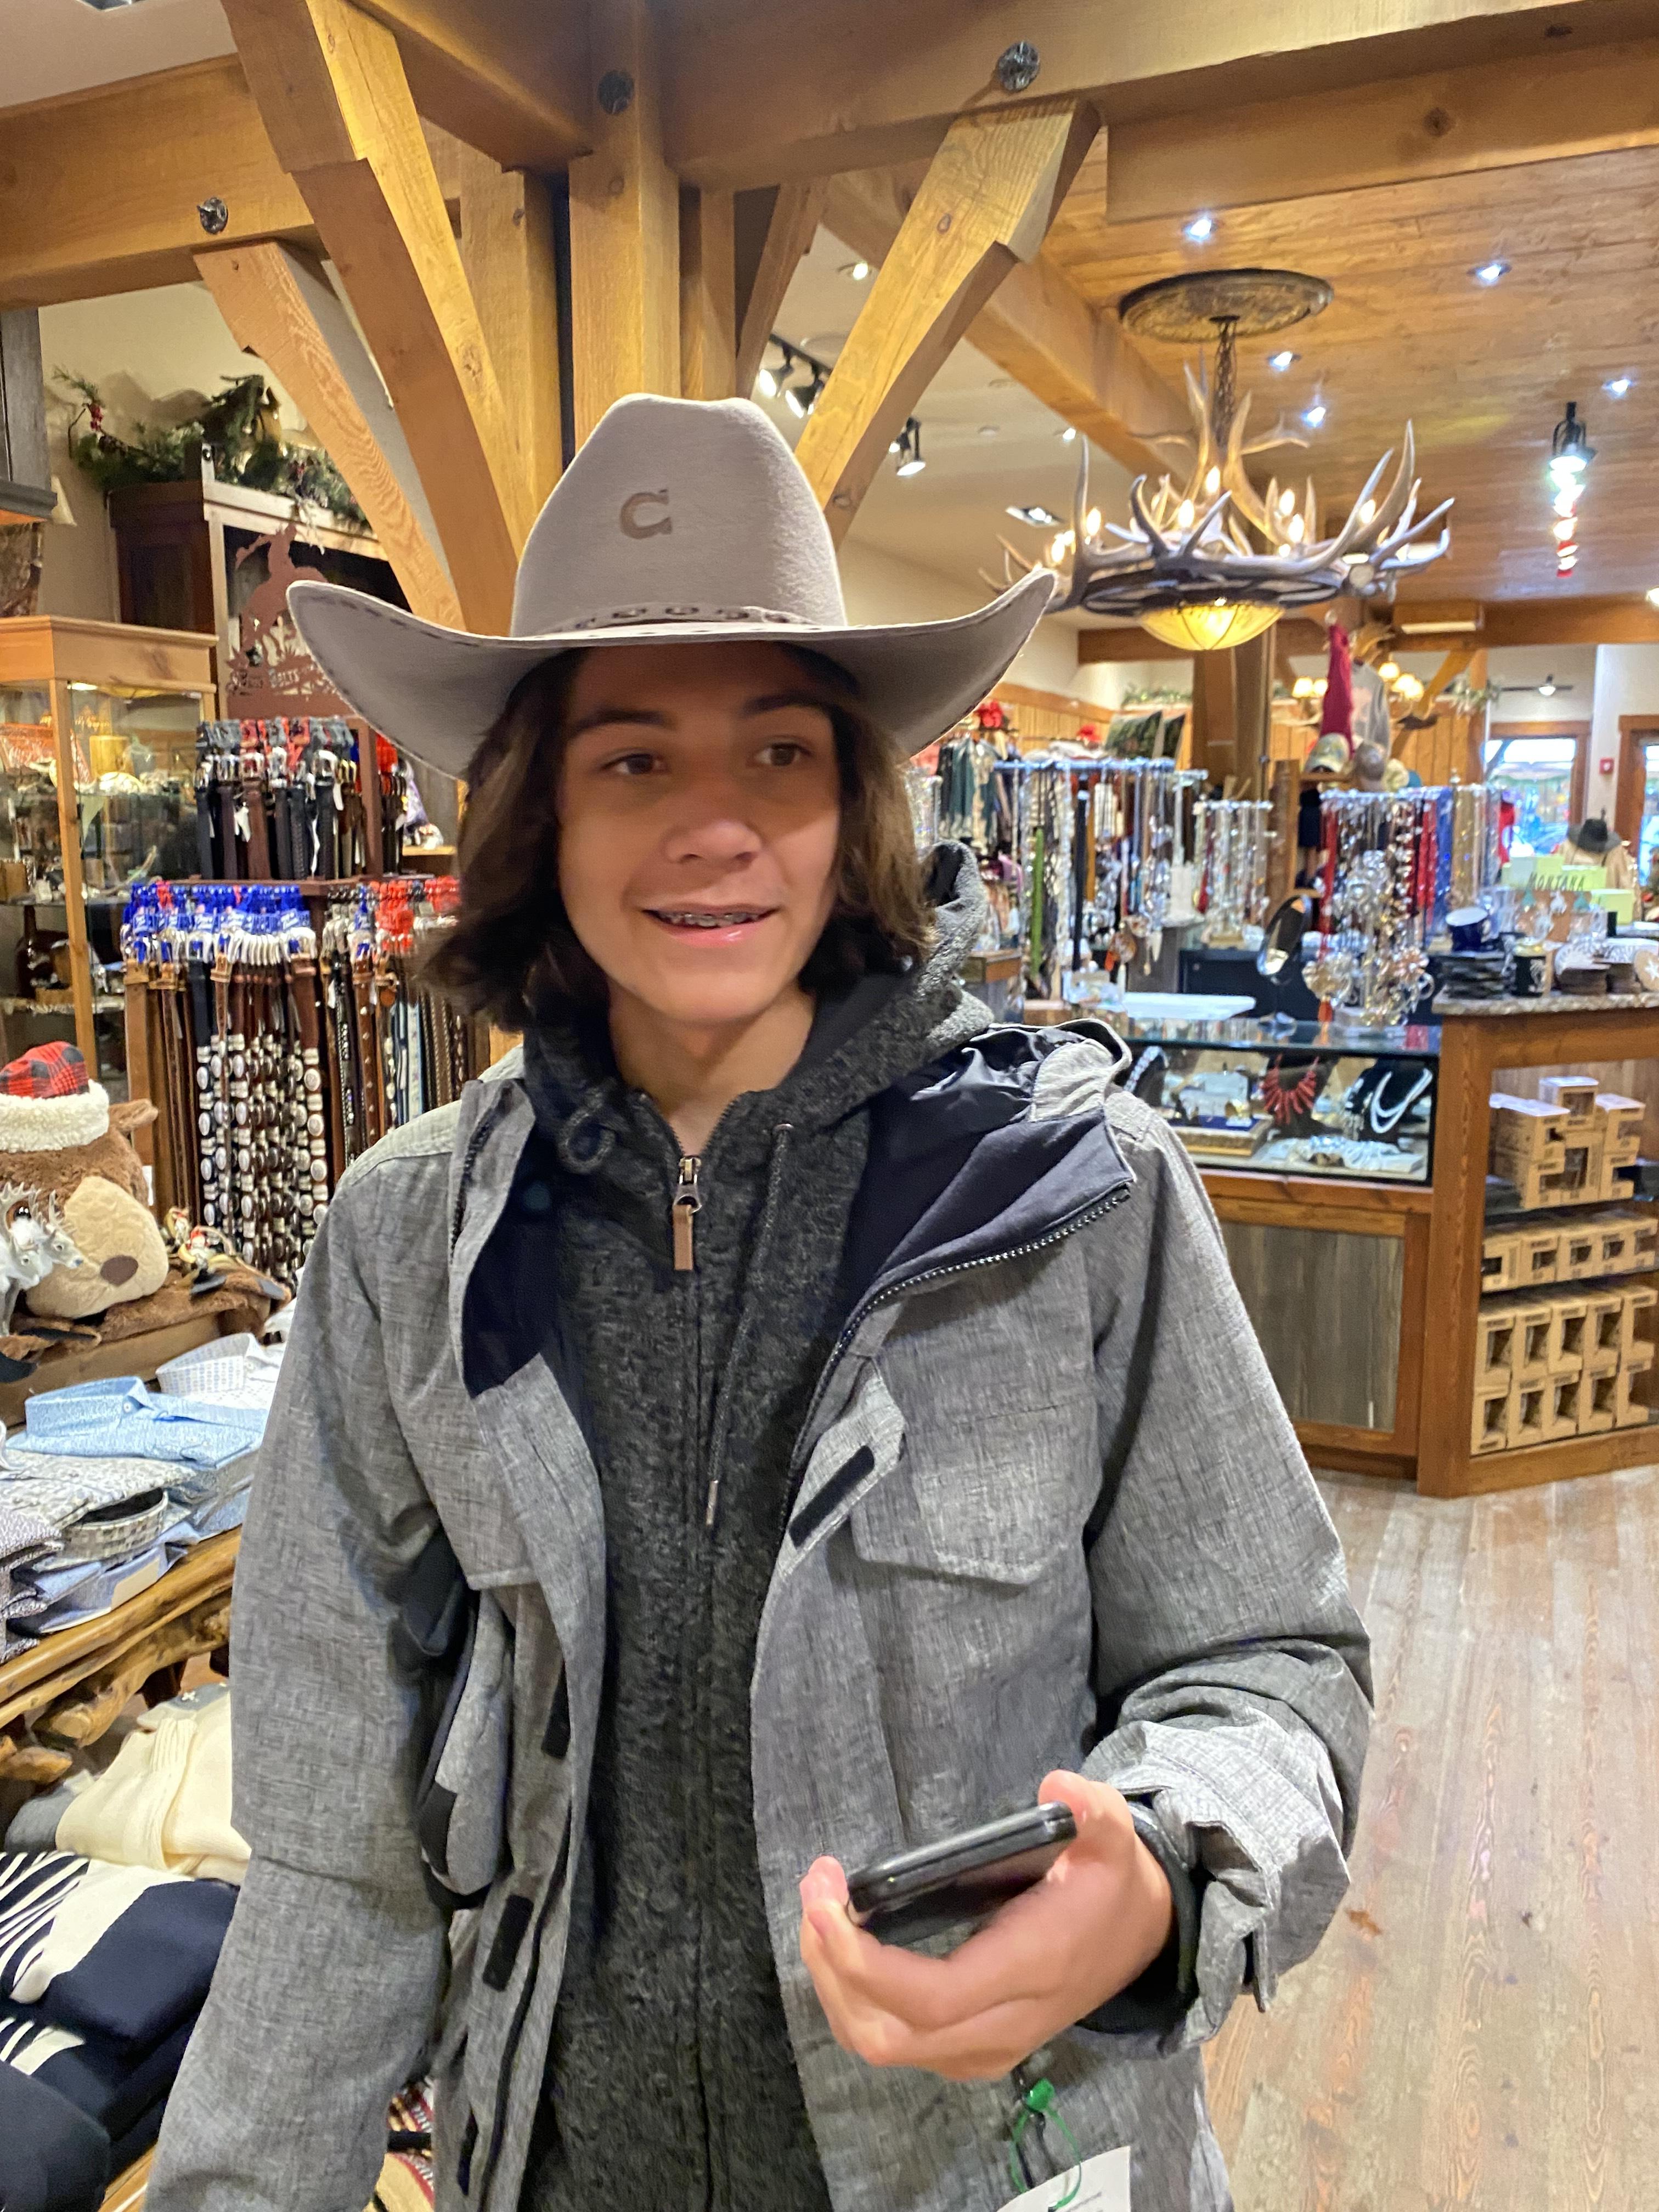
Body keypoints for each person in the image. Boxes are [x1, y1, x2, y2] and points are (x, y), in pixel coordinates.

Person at [147, 397, 1370, 2212]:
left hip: (997, 2160)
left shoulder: (1075, 1200)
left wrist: (1163, 1871)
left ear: (854, 797)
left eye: (780, 752)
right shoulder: (411, 1242)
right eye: (634, 760)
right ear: (539, 807)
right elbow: (335, 1847)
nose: (714, 827)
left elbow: (1273, 1661)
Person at [1561, 811, 1638, 893]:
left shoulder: (1567, 847)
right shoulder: (1617, 853)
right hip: (1603, 899)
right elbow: (1627, 885)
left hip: (1574, 898)